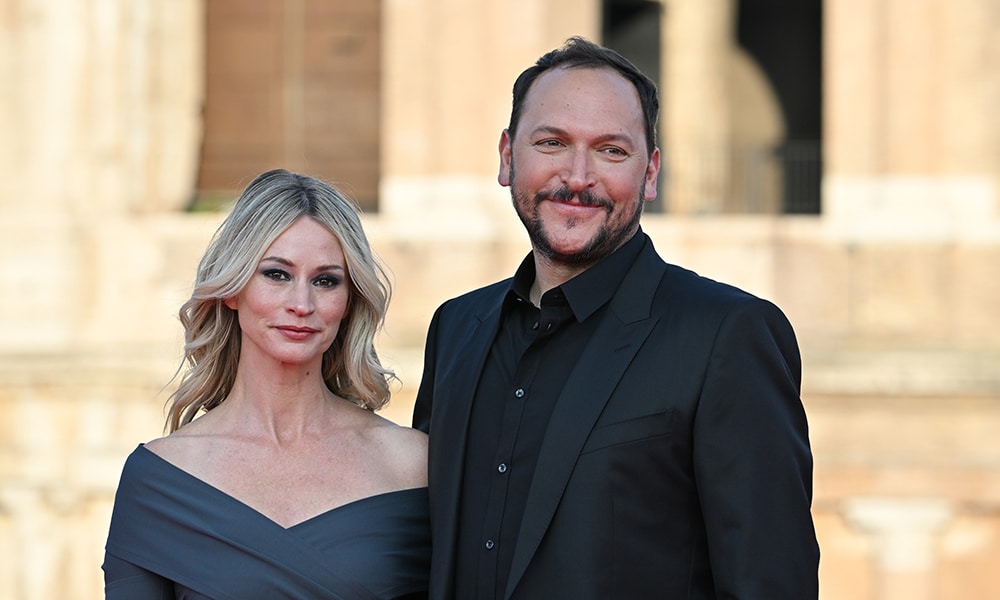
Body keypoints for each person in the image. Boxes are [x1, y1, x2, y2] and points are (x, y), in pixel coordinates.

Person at [412, 37, 819, 599]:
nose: (577, 178)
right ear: (508, 157)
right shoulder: (456, 329)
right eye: (551, 143)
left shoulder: (728, 335)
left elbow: (768, 584)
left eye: (611, 150)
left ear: (650, 173)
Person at [103, 169, 430, 599]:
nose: (301, 304)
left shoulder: (413, 464)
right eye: (277, 274)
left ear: (349, 302)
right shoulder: (159, 479)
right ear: (232, 289)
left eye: (326, 281)